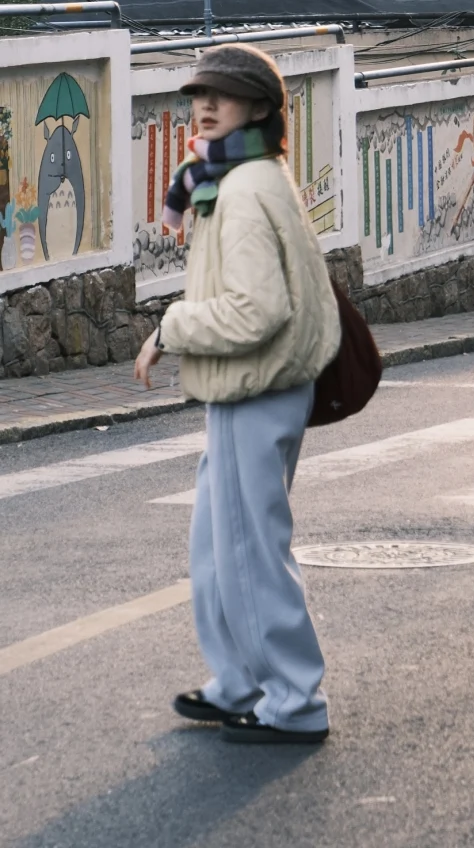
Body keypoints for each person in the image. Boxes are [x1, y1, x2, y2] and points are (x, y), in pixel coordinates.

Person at [133, 45, 342, 746]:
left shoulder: (247, 186)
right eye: (200, 93)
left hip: (259, 386)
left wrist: (172, 326)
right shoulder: (237, 174)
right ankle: (240, 683)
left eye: (223, 95)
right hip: (249, 387)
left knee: (249, 549)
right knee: (217, 547)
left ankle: (292, 701)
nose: (206, 104)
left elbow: (260, 310)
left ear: (258, 107)